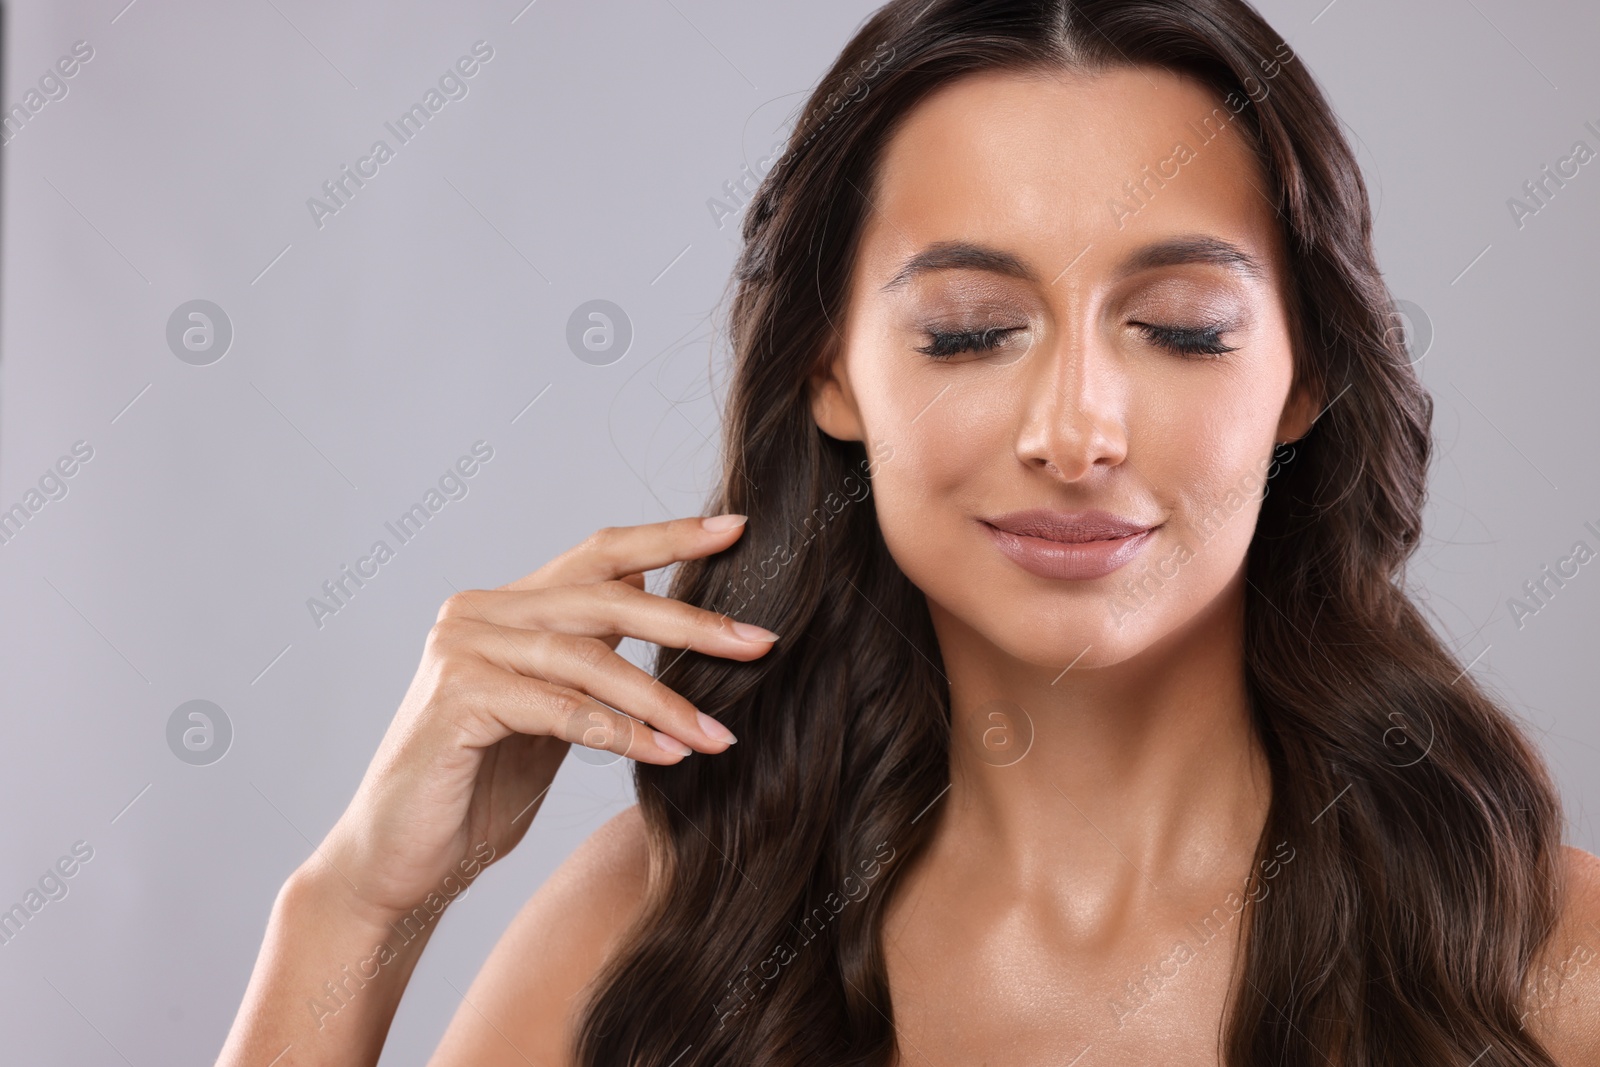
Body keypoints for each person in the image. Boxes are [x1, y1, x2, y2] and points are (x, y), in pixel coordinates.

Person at [217, 0, 1600, 1063]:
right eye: (969, 334)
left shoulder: (1540, 960)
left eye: (1182, 329)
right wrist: (356, 907)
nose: (1076, 431)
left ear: (1302, 377)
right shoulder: (662, 938)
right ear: (832, 370)